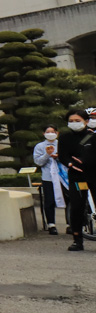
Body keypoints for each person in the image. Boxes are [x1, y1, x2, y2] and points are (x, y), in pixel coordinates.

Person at [62, 107, 96, 251]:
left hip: (94, 174)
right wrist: (70, 163)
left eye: (78, 121)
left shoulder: (93, 136)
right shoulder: (64, 137)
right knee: (76, 207)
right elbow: (63, 155)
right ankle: (77, 239)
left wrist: (83, 160)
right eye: (71, 121)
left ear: (86, 121)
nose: (74, 123)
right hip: (76, 176)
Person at [33, 125, 67, 235]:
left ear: (57, 133)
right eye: (48, 132)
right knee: (49, 201)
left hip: (63, 177)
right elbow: (38, 162)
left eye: (53, 131)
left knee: (68, 199)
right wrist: (47, 155)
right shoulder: (40, 146)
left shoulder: (62, 143)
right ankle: (51, 224)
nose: (50, 133)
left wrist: (58, 156)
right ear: (44, 134)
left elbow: (68, 158)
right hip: (48, 177)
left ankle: (70, 224)